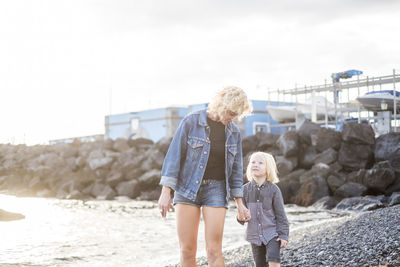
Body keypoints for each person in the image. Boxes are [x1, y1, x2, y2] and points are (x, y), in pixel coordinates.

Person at [158, 86, 252, 267]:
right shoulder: (191, 122)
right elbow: (174, 157)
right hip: (186, 189)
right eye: (232, 113)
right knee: (187, 250)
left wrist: (240, 204)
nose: (233, 118)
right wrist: (165, 191)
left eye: (237, 115)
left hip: (216, 189)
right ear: (222, 104)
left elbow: (236, 171)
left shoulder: (234, 132)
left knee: (213, 250)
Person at [238, 152, 289, 267]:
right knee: (260, 264)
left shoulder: (274, 190)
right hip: (254, 236)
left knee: (273, 259)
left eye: (260, 163)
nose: (255, 165)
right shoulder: (244, 190)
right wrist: (240, 217)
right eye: (253, 162)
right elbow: (241, 217)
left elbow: (281, 215)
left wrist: (283, 235)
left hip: (272, 234)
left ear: (268, 168)